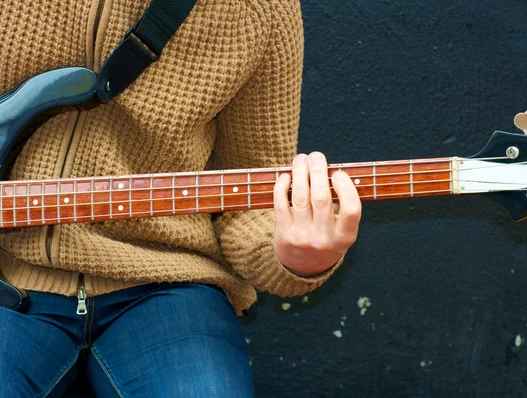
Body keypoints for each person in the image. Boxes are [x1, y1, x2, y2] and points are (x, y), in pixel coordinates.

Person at [0, 0, 361, 396]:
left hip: (166, 284)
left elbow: (253, 191)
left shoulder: (263, 9)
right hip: (11, 267)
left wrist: (295, 258)